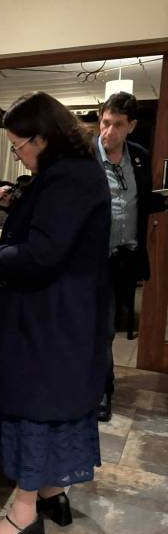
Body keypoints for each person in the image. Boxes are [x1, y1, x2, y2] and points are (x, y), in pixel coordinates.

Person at [0, 92, 110, 534]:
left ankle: (23, 513)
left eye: (18, 146)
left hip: (49, 316)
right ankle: (50, 492)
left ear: (42, 139)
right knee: (54, 405)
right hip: (66, 312)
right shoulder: (74, 172)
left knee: (35, 407)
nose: (18, 155)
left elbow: (41, 255)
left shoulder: (67, 179)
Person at [95, 92, 167, 422]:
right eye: (105, 122)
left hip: (125, 259)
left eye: (118, 125)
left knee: (109, 327)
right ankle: (101, 391)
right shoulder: (85, 157)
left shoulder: (138, 156)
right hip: (92, 260)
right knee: (102, 329)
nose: (108, 131)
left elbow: (139, 201)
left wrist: (164, 200)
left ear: (132, 126)